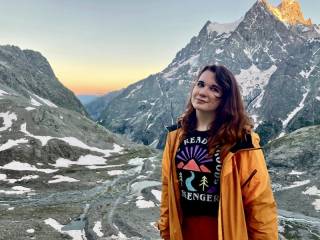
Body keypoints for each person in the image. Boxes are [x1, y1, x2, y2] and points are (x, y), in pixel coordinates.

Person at [157, 64, 278, 240]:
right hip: (184, 231)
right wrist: (166, 229)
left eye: (214, 89)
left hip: (224, 232)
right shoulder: (175, 136)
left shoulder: (241, 141)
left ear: (226, 99)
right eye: (200, 84)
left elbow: (259, 201)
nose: (202, 92)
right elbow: (168, 187)